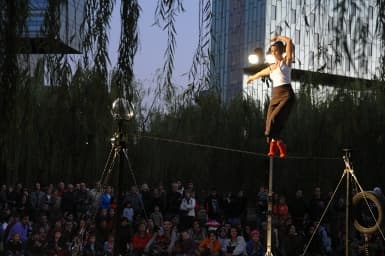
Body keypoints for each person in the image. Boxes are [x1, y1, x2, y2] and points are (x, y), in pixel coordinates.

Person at [246, 35, 295, 158]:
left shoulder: (286, 62)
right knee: (269, 122)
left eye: (276, 51)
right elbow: (262, 72)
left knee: (274, 119)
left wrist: (278, 37)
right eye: (272, 51)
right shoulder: (272, 67)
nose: (274, 53)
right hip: (275, 95)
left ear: (281, 51)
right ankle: (278, 145)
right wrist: (252, 77)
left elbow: (289, 41)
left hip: (286, 94)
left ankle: (275, 146)